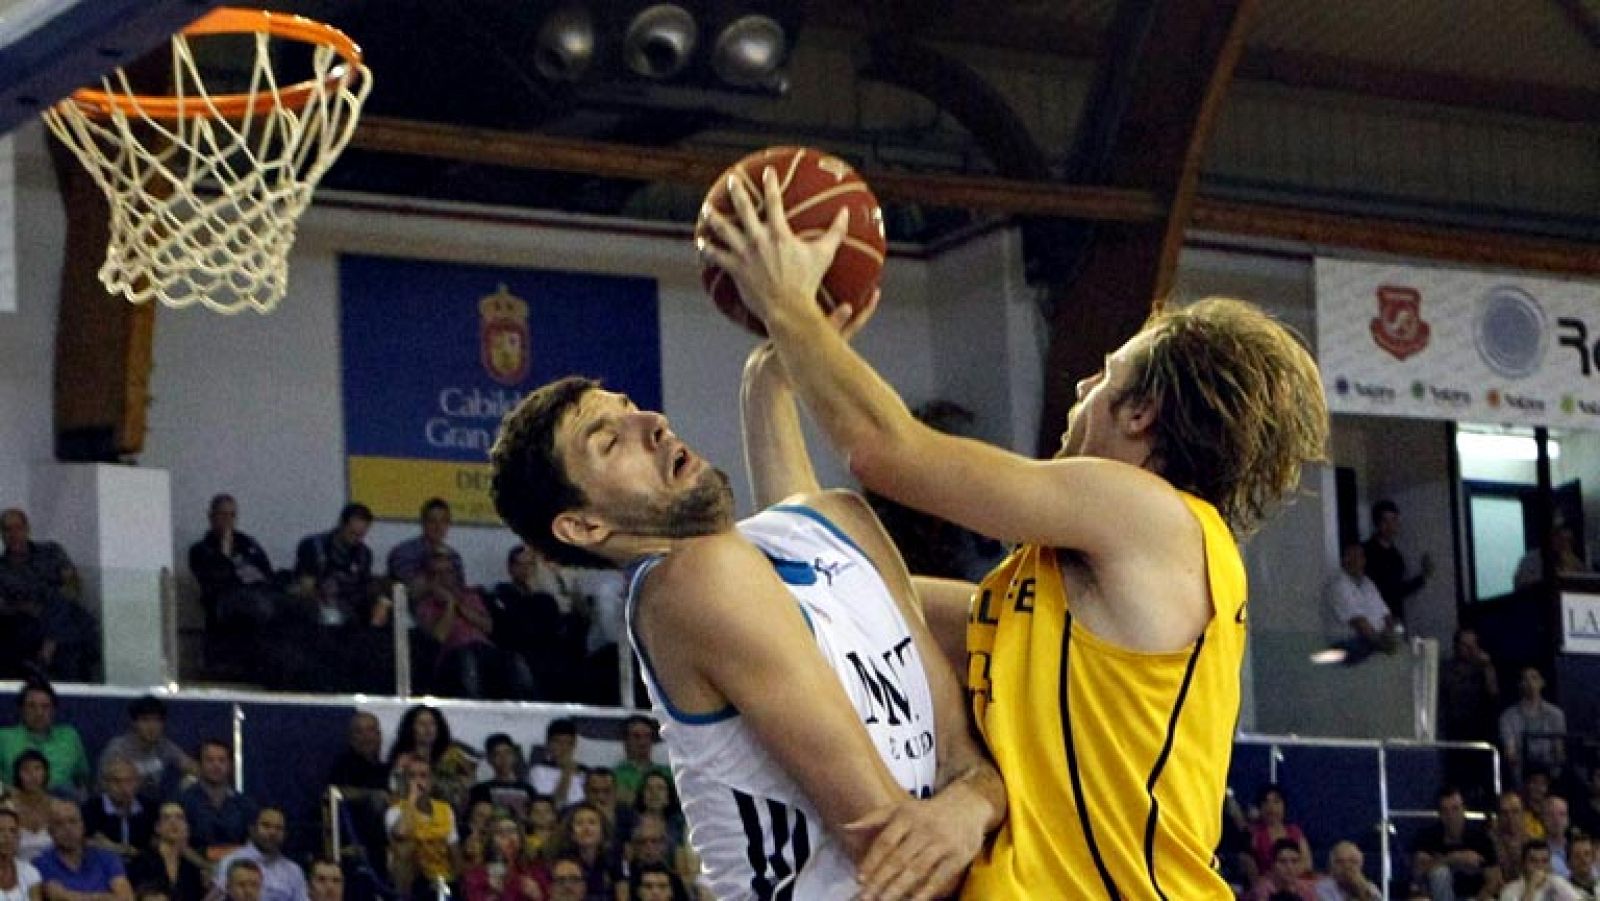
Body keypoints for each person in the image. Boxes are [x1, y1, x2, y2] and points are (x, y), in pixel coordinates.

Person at [700, 169, 1327, 898]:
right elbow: (819, 584)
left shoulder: (1155, 515)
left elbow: (887, 450)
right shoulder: (1030, 605)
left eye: (1104, 374)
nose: (1082, 388)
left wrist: (785, 300)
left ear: (1141, 413)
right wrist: (771, 375)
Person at [489, 329, 1006, 895]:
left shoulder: (833, 522)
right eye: (610, 442)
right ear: (585, 526)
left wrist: (774, 363)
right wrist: (980, 803)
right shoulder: (681, 588)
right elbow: (896, 851)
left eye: (632, 408)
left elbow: (963, 765)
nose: (652, 422)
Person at [412, 549, 534, 700]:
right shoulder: (425, 605)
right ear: (429, 578)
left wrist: (459, 606)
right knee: (468, 661)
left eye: (448, 572)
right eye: (436, 573)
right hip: (452, 656)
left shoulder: (471, 596)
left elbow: (488, 627)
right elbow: (439, 637)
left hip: (484, 648)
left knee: (513, 660)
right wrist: (449, 605)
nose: (443, 577)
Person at [0, 508, 99, 681]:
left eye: (18, 528)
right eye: (7, 530)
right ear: (2, 535)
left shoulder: (51, 551)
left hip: (57, 611)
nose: (13, 534)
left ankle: (49, 646)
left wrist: (54, 603)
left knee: (60, 602)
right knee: (71, 634)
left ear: (27, 529)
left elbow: (73, 584)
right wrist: (25, 607)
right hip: (26, 621)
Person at [489, 546, 587, 703]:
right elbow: (508, 627)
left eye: (530, 565)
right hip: (517, 650)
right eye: (520, 565)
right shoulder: (502, 593)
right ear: (511, 567)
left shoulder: (545, 600)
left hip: (548, 652)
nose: (525, 570)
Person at [188, 494, 283, 630]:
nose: (228, 520)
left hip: (260, 592)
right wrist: (224, 552)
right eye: (223, 515)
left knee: (298, 605)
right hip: (226, 599)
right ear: (211, 516)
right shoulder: (200, 549)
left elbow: (267, 571)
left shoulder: (247, 542)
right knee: (260, 605)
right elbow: (216, 581)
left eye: (232, 515)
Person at [326, 712, 390, 880]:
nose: (366, 737)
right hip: (354, 840)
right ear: (351, 737)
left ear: (379, 735)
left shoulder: (387, 770)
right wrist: (370, 795)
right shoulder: (343, 766)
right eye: (359, 732)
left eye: (370, 730)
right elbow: (333, 793)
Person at [97, 697, 196, 803]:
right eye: (145, 720)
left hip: (150, 805)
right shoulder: (118, 749)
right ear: (134, 723)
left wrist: (189, 781)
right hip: (117, 804)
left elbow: (192, 767)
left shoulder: (164, 746)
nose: (152, 727)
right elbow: (105, 786)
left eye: (157, 720)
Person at [386, 758, 459, 900]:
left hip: (443, 879)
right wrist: (412, 800)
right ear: (405, 781)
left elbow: (455, 852)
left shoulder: (445, 809)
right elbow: (401, 833)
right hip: (416, 877)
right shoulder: (395, 811)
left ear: (431, 781)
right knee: (405, 847)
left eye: (423, 776)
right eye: (412, 776)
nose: (418, 782)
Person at [0, 682, 90, 796]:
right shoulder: (3, 738)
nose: (39, 713)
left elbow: (83, 780)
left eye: (45, 707)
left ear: (54, 710)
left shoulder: (70, 737)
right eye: (31, 706)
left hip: (63, 805)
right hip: (18, 803)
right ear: (21, 710)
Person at [384, 706, 478, 815]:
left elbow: (466, 788)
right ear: (411, 728)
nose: (428, 728)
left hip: (447, 813)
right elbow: (396, 792)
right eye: (421, 724)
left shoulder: (453, 756)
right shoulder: (403, 759)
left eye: (432, 724)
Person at [33, 799, 133, 900]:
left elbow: (126, 897)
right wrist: (103, 897)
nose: (67, 829)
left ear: (83, 826)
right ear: (50, 832)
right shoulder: (41, 864)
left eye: (73, 821)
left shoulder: (107, 858)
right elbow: (61, 897)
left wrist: (81, 897)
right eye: (59, 824)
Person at [1414, 786, 1502, 900]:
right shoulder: (1428, 837)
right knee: (1440, 873)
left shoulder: (1480, 838)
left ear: (1464, 809)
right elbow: (1418, 871)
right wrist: (1454, 858)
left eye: (1455, 809)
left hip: (1474, 897)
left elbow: (1495, 878)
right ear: (1439, 814)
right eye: (1445, 811)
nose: (1451, 816)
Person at [177, 739, 257, 858]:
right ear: (199, 764)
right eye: (210, 760)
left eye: (222, 760)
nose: (216, 765)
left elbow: (254, 844)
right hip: (193, 868)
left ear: (230, 765)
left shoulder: (244, 804)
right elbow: (176, 844)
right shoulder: (182, 801)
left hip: (238, 869)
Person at [1322, 541, 1400, 662]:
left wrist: (1394, 633)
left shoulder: (1368, 583)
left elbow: (1386, 615)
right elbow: (1359, 623)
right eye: (1357, 556)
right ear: (1346, 559)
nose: (1362, 561)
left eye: (1363, 556)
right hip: (1348, 644)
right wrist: (1383, 643)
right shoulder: (1338, 586)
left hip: (1375, 639)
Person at [212, 808, 308, 901]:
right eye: (266, 826)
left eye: (278, 828)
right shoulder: (230, 861)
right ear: (252, 829)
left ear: (285, 834)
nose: (272, 832)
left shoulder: (294, 871)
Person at [1363, 500, 1433, 624]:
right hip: (1374, 622)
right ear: (1377, 523)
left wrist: (1424, 576)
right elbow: (1386, 590)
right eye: (1385, 521)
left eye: (1394, 520)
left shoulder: (1396, 555)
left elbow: (1398, 590)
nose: (1390, 526)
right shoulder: (1365, 552)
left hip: (1396, 618)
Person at [127, 803, 209, 901]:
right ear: (157, 827)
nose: (173, 822)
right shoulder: (142, 861)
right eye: (166, 818)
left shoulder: (192, 867)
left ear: (186, 827)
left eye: (179, 817)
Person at [1501, 669, 1567, 787]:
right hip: (1521, 773)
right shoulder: (1508, 716)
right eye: (1525, 679)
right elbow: (1510, 752)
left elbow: (1559, 751)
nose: (1530, 683)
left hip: (1549, 773)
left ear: (1542, 682)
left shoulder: (1556, 714)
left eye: (1534, 678)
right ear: (1520, 684)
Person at [81, 758, 156, 861]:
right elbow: (84, 843)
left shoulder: (151, 809)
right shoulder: (90, 809)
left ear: (138, 782)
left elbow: (156, 848)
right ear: (105, 783)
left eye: (129, 781)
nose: (124, 788)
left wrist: (121, 849)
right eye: (116, 781)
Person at [460, 815, 548, 901]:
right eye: (500, 832)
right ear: (490, 841)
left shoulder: (536, 868)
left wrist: (538, 896)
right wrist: (493, 893)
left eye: (512, 831)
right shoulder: (477, 875)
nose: (507, 837)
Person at [387, 498, 466, 593]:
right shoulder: (403, 552)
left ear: (449, 524)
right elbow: (406, 589)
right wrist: (432, 569)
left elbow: (460, 590)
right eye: (432, 521)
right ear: (423, 523)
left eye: (444, 521)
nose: (438, 526)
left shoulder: (454, 556)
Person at [547, 805, 619, 901]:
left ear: (602, 832)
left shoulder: (612, 860)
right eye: (579, 823)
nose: (586, 828)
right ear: (571, 833)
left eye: (592, 823)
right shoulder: (562, 864)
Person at [466, 735, 538, 825]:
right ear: (489, 759)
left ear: (514, 756)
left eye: (507, 753)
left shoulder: (529, 789)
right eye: (497, 754)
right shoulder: (480, 790)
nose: (504, 759)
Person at [1250, 784, 1314, 878]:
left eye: (1276, 802)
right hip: (1268, 884)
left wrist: (1288, 876)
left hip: (1297, 881)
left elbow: (1307, 863)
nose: (1271, 807)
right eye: (1266, 802)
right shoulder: (1255, 834)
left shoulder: (1294, 831)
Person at [8, 751, 57, 863]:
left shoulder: (57, 807)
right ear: (18, 775)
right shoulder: (7, 806)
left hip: (52, 869)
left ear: (45, 773)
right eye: (25, 770)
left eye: (37, 768)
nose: (32, 775)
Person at [609, 717, 669, 808]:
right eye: (636, 736)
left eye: (647, 736)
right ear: (626, 741)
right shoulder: (614, 775)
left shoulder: (667, 773)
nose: (642, 742)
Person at [527, 721, 585, 811]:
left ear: (574, 745)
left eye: (568, 743)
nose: (564, 747)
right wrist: (567, 772)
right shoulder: (539, 772)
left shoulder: (583, 772)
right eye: (558, 742)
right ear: (548, 744)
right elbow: (554, 805)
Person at [1499, 840, 1582, 901]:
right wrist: (1531, 887)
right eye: (1533, 861)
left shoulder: (1556, 881)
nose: (1539, 866)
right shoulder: (1510, 890)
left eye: (1544, 861)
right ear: (1523, 864)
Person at [1247, 837, 1316, 901]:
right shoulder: (1262, 890)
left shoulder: (1305, 889)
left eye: (1294, 861)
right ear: (1273, 865)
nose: (1289, 867)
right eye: (1282, 861)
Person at [1315, 841, 1381, 900]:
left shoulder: (1370, 888)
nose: (1347, 867)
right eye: (1341, 862)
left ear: (1360, 865)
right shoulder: (1322, 887)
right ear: (1332, 866)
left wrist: (1361, 890)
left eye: (1353, 861)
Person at [0, 808, 42, 901]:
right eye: (0, 830)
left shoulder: (30, 872)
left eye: (12, 831)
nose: (7, 836)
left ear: (18, 837)